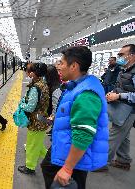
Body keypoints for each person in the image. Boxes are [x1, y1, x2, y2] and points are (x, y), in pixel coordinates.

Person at [41, 46, 108, 189]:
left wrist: (67, 168)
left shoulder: (86, 94)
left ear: (74, 66)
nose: (59, 66)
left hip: (73, 157)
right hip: (64, 147)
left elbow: (84, 133)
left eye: (62, 63)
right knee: (47, 167)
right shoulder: (75, 87)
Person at [104, 44, 135, 171]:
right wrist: (113, 93)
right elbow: (121, 86)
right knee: (124, 135)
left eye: (122, 54)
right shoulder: (124, 70)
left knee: (113, 135)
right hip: (122, 108)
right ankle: (124, 160)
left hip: (129, 110)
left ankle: (101, 161)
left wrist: (119, 96)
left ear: (132, 56)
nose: (119, 57)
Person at [17, 63, 49, 175]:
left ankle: (30, 167)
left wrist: (21, 106)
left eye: (31, 71)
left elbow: (30, 107)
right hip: (42, 119)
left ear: (35, 73)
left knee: (31, 144)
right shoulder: (43, 83)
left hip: (36, 121)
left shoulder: (36, 87)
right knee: (38, 144)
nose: (29, 72)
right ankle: (53, 161)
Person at [46, 65, 62, 136]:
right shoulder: (55, 85)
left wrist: (51, 118)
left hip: (57, 120)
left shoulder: (56, 89)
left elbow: (56, 107)